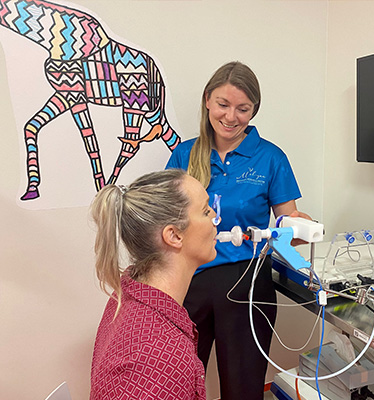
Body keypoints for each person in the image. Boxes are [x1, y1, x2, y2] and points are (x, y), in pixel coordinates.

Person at [166, 61, 310, 400]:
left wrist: (300, 229)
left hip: (248, 284)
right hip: (190, 283)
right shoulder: (185, 154)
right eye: (223, 104)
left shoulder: (270, 158)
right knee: (179, 382)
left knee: (243, 388)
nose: (231, 117)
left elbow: (289, 224)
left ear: (253, 110)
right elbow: (166, 221)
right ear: (207, 101)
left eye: (243, 109)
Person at [89, 169, 219, 400]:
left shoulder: (130, 290)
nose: (215, 218)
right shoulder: (161, 359)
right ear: (174, 236)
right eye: (205, 210)